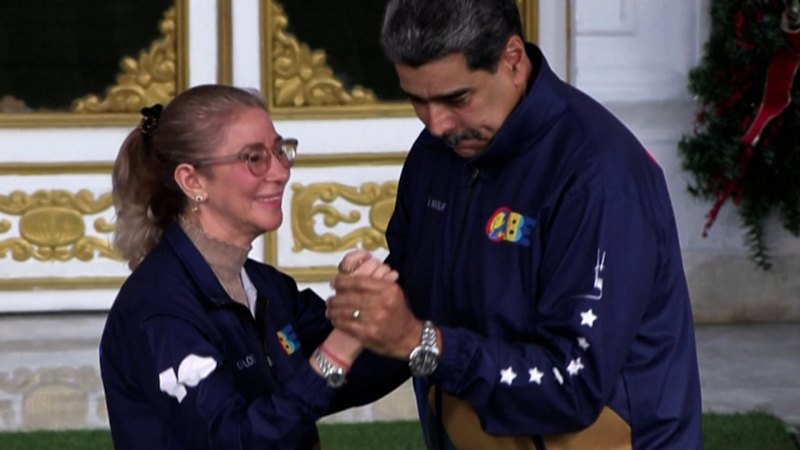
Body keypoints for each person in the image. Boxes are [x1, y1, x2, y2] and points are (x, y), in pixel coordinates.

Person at [325, 0, 704, 448]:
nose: (437, 124)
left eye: (457, 98)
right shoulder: (435, 155)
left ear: (513, 60)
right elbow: (409, 314)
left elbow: (574, 386)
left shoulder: (598, 175)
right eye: (417, 100)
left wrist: (421, 342)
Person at [99, 84, 398, 449]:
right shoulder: (158, 311)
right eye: (254, 158)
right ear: (192, 181)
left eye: (280, 150)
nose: (281, 171)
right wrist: (340, 345)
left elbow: (352, 375)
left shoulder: (265, 285)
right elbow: (236, 439)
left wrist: (371, 308)